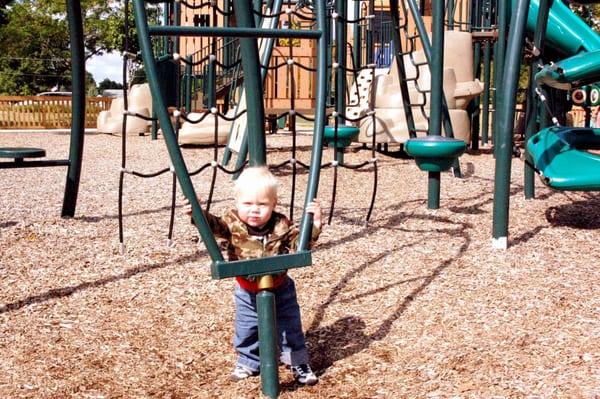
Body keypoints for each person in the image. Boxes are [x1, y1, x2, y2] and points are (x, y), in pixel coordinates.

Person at [183, 166, 322, 386]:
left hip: (280, 286)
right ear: (237, 203)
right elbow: (213, 227)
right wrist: (197, 214)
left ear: (274, 204)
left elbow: (299, 244)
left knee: (289, 326)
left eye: (262, 204)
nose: (254, 210)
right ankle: (249, 361)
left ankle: (297, 361)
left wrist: (314, 226)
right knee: (247, 327)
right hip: (247, 289)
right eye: (247, 204)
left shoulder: (280, 224)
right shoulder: (231, 222)